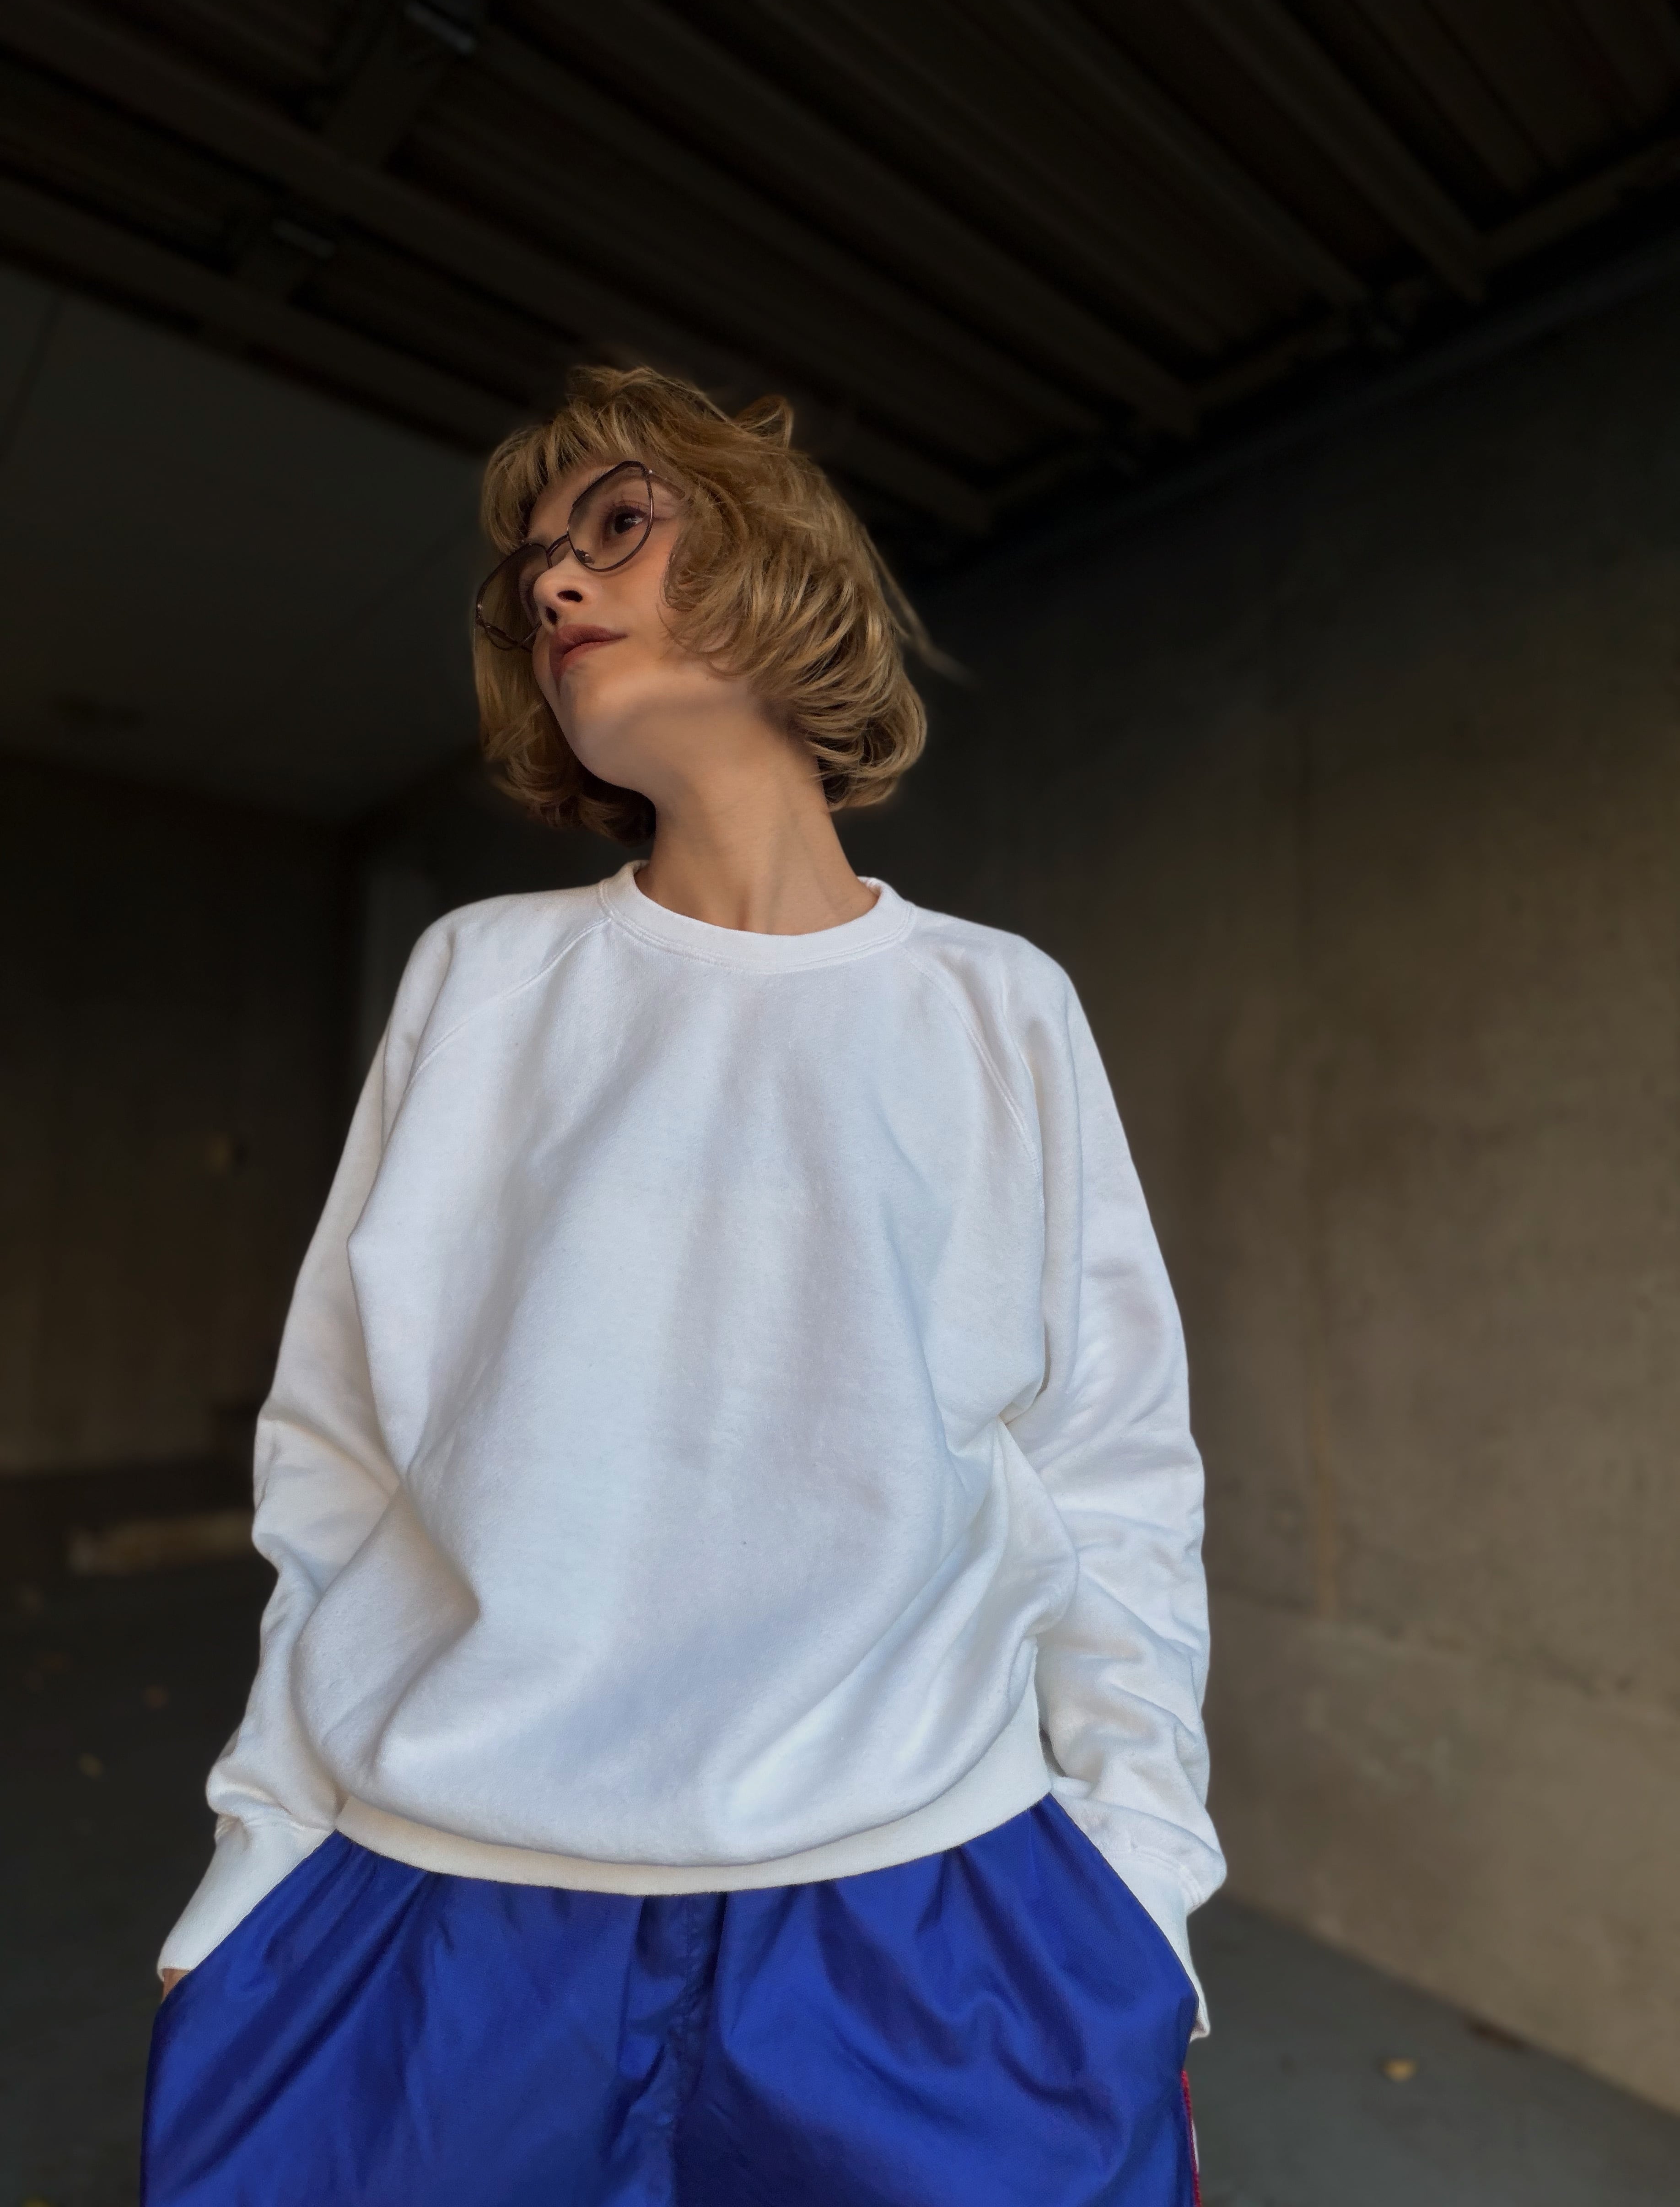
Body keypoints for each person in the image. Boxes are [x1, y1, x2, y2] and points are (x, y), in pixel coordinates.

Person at [140, 364, 1225, 2206]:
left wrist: (1141, 1894)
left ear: (780, 567)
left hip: (930, 1921)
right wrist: (255, 1861)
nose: (556, 584)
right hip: (441, 1917)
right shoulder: (483, 982)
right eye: (530, 572)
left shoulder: (996, 1006)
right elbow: (337, 1456)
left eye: (618, 528)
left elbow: (1111, 1473)